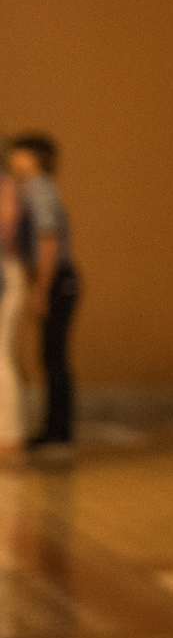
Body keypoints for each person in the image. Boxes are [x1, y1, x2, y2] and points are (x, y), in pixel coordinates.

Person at [8, 135, 76, 451]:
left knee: (54, 355)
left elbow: (48, 240)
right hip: (51, 277)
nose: (12, 159)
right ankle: (52, 427)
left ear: (34, 158)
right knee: (48, 354)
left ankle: (59, 431)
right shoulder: (30, 189)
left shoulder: (39, 188)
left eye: (19, 153)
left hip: (57, 278)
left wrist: (41, 288)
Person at [0, 161, 24, 453]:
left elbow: (7, 229)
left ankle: (8, 436)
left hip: (4, 277)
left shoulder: (5, 186)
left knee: (1, 355)